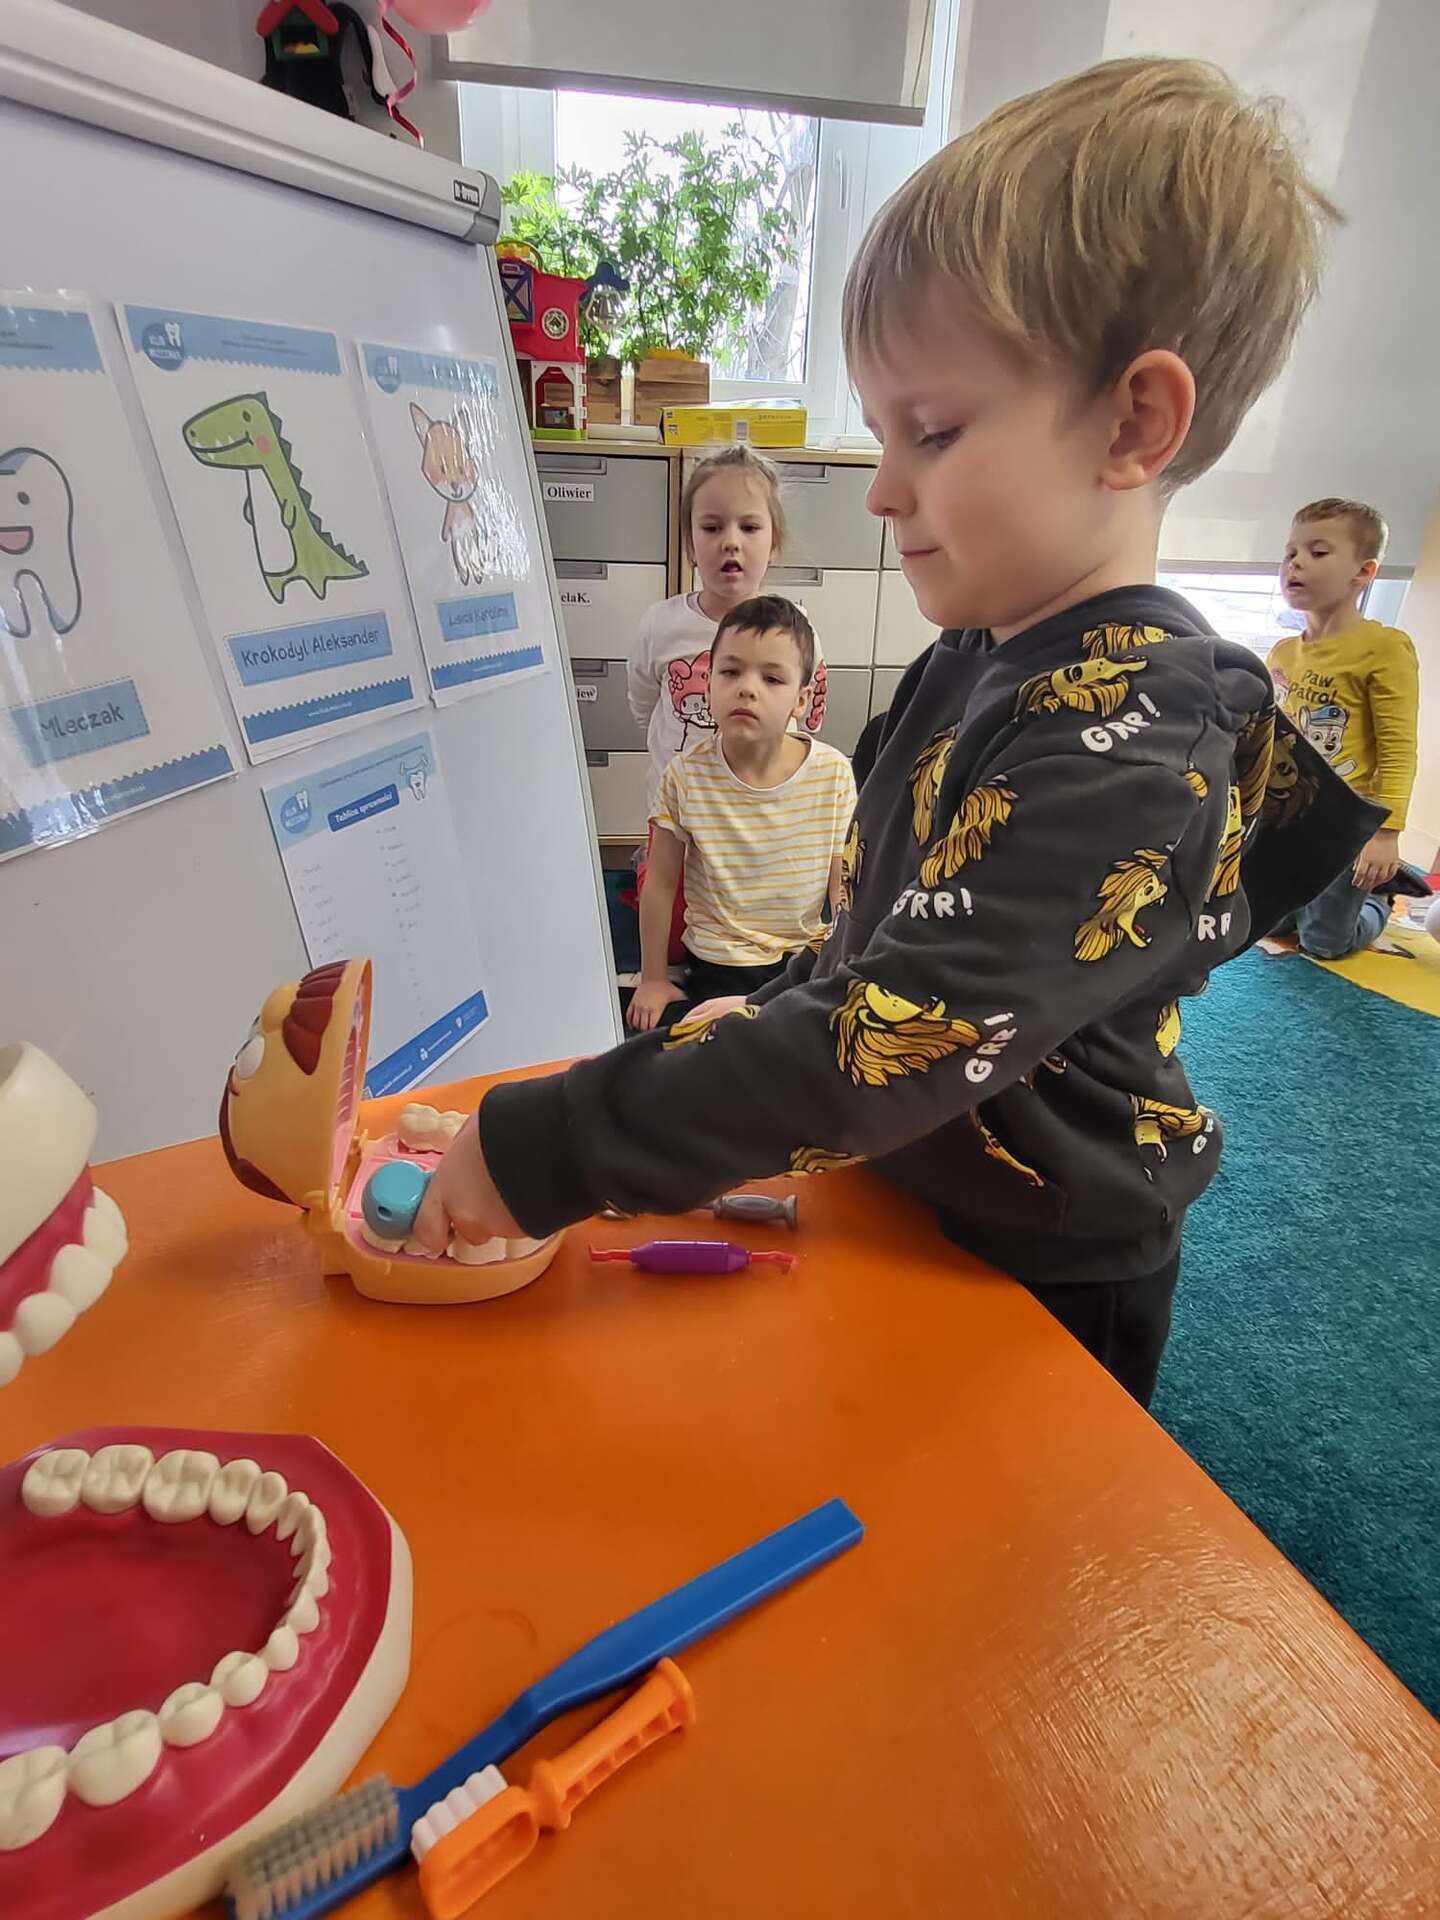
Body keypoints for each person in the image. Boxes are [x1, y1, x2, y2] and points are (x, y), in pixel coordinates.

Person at [415, 57, 1381, 1407]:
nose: (880, 490)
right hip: (911, 1176)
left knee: (998, 1519)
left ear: (1134, 424)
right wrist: (751, 1018)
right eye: (882, 434)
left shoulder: (1140, 734)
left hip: (1043, 1253)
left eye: (930, 431)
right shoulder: (974, 653)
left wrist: (551, 1146)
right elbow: (892, 927)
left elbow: (896, 1031)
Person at [626, 446, 829, 965]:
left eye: (750, 527)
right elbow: (644, 704)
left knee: (754, 933)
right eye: (712, 527)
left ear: (774, 543)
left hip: (755, 823)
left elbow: (804, 724)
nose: (730, 542)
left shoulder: (799, 631)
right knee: (672, 937)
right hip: (681, 816)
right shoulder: (661, 625)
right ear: (690, 542)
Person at [627, 595, 856, 1032]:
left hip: (802, 960)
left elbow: (841, 885)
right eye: (730, 672)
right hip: (721, 962)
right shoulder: (685, 776)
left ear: (802, 700)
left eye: (772, 678)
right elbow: (659, 883)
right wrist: (653, 978)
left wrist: (841, 966)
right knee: (709, 1044)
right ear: (708, 684)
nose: (747, 688)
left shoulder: (833, 774)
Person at [1265, 500, 1421, 958]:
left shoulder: (1384, 647)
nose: (1295, 563)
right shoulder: (1283, 652)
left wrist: (1385, 834)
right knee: (1265, 920)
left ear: (1364, 572)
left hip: (1348, 821)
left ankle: (1379, 897)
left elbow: (1397, 750)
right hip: (1293, 812)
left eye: (1318, 552)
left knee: (1325, 942)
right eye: (1290, 553)